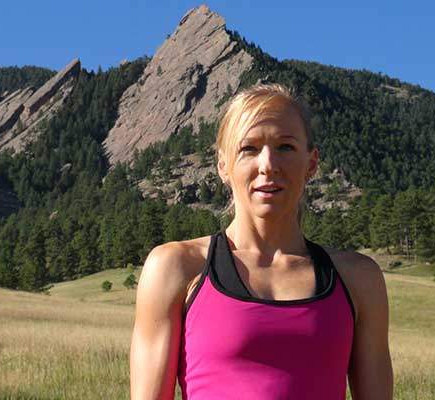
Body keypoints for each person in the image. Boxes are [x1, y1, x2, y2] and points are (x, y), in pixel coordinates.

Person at [130, 83, 393, 399]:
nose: (268, 165)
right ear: (224, 165)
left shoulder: (358, 279)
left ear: (311, 163)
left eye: (285, 147)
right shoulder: (175, 267)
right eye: (249, 149)